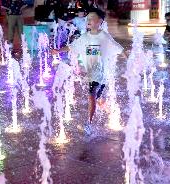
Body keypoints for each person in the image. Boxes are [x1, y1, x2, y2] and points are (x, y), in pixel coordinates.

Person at [51, 8, 127, 136]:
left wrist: (129, 60)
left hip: (100, 73)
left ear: (100, 21)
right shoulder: (85, 37)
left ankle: (89, 124)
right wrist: (58, 51)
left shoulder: (103, 36)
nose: (89, 20)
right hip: (91, 73)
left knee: (91, 95)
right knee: (97, 99)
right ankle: (112, 113)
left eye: (92, 18)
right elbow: (72, 46)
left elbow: (117, 47)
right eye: (88, 18)